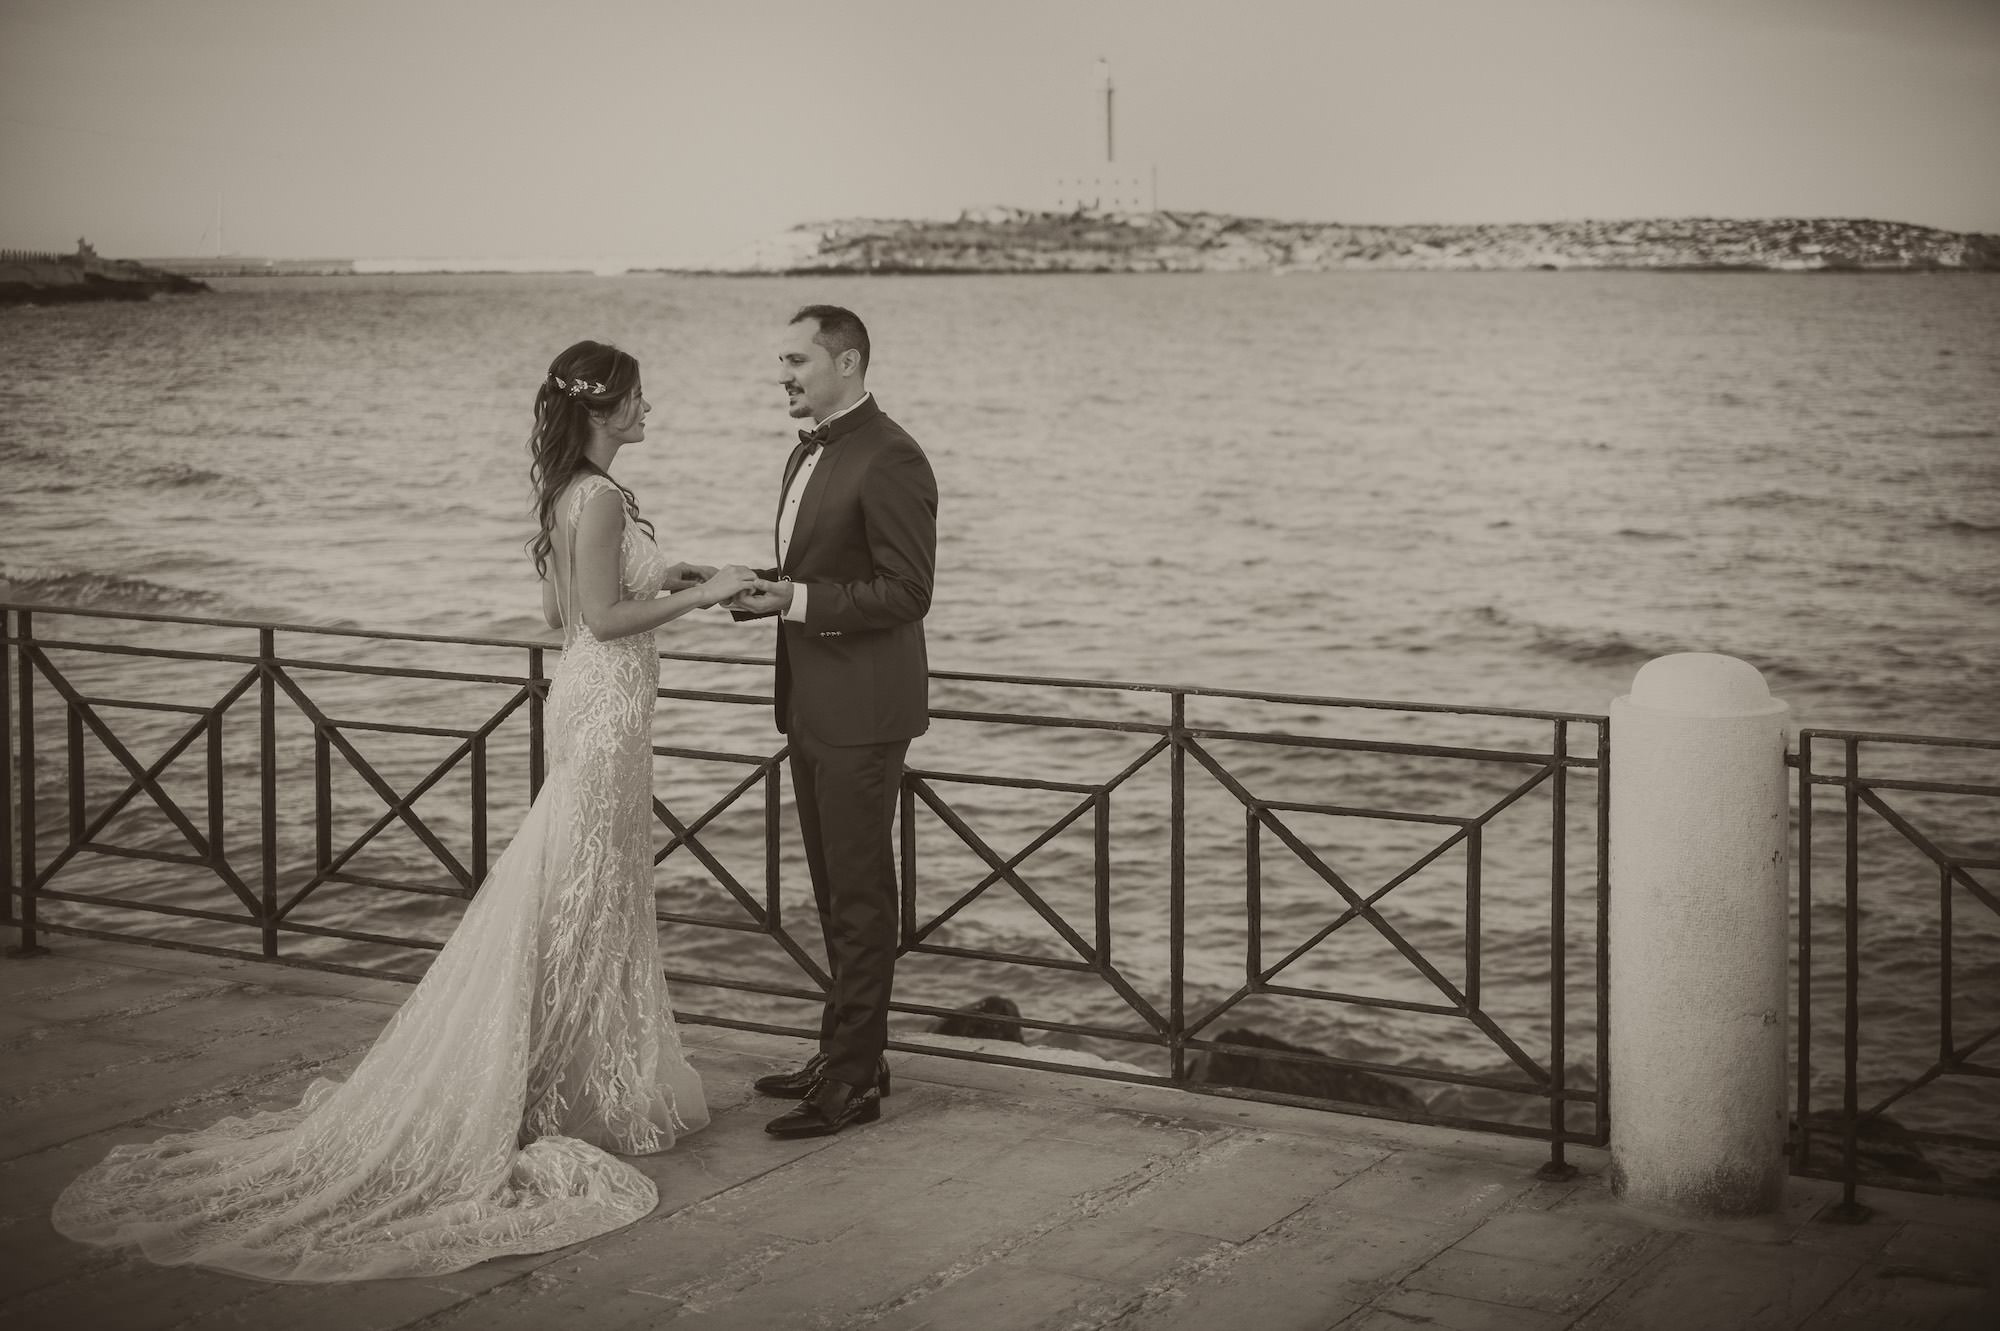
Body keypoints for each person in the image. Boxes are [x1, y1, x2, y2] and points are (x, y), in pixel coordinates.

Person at [50, 340, 754, 1282]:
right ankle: (542, 1086)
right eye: (636, 401)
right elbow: (593, 620)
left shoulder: (575, 493)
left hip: (602, 707)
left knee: (594, 890)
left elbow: (580, 604)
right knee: (577, 892)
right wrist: (703, 597)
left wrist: (664, 577)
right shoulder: (600, 498)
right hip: (603, 709)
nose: (647, 413)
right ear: (599, 408)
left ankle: (563, 1077)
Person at [730, 305, 938, 1139]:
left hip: (863, 710)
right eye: (781, 361)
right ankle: (849, 1049)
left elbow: (907, 590)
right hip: (810, 702)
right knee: (830, 889)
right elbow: (820, 569)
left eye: (796, 360)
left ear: (846, 362)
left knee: (859, 895)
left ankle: (854, 1078)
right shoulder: (805, 450)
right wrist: (761, 588)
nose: (783, 374)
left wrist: (800, 600)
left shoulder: (891, 455)